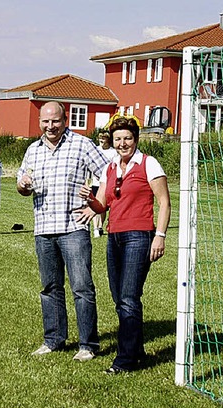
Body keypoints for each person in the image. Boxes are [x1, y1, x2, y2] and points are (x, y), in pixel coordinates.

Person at [17, 101, 110, 362]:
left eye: (55, 121)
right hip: (43, 228)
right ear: (39, 122)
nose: (51, 126)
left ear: (65, 120)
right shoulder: (32, 151)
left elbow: (108, 174)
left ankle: (88, 345)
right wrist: (23, 186)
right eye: (46, 121)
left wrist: (95, 205)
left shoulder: (81, 145)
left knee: (82, 287)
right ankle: (54, 340)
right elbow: (21, 186)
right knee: (49, 287)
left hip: (74, 229)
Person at [80, 116, 171, 374]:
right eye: (118, 139)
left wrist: (160, 235)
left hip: (139, 236)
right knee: (120, 298)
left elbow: (164, 202)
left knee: (129, 298)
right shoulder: (110, 167)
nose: (122, 143)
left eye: (127, 138)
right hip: (115, 237)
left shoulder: (148, 164)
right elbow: (102, 204)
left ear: (136, 139)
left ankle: (125, 360)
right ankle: (137, 349)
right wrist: (90, 202)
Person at [90, 130, 117, 238]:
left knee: (103, 207)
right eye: (100, 138)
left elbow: (114, 166)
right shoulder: (95, 150)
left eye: (104, 138)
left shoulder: (113, 152)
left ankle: (100, 226)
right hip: (95, 183)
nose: (101, 140)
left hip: (107, 183)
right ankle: (95, 228)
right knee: (95, 205)